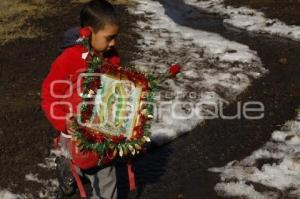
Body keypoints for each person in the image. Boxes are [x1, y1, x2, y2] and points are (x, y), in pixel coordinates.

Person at [41, 0, 120, 198]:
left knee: (104, 170)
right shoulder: (69, 60)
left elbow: (117, 87)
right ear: (88, 32)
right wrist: (64, 122)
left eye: (115, 37)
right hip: (75, 132)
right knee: (85, 162)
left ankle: (73, 167)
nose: (113, 43)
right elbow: (49, 96)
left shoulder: (111, 57)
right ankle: (70, 166)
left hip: (103, 128)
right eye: (109, 38)